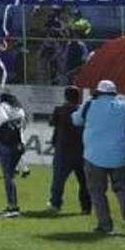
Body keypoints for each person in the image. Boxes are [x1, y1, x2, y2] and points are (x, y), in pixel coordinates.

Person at [72, 79, 125, 234]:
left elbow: (76, 120)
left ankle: (105, 225)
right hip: (119, 156)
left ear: (98, 92)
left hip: (94, 156)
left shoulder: (90, 105)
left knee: (97, 192)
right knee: (123, 189)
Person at [47, 87, 91, 215]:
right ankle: (86, 207)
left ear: (65, 96)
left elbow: (51, 122)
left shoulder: (60, 110)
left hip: (63, 150)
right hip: (81, 149)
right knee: (84, 181)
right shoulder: (83, 110)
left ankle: (55, 204)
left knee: (58, 180)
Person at [0, 91, 25, 218]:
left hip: (6, 143)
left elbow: (3, 118)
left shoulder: (1, 106)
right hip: (19, 144)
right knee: (10, 176)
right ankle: (12, 205)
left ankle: (12, 206)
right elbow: (23, 126)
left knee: (8, 176)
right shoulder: (19, 109)